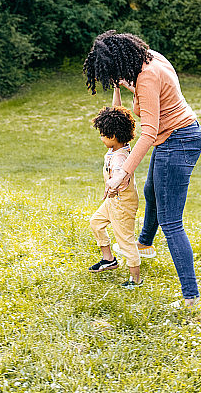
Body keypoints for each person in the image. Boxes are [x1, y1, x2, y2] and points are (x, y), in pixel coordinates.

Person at [83, 30, 201, 305]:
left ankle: (191, 298)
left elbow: (148, 132)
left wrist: (122, 175)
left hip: (177, 141)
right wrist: (123, 86)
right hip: (179, 135)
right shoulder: (151, 59)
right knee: (151, 191)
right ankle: (145, 244)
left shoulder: (146, 77)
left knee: (172, 223)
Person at [88, 105, 142, 287]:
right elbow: (117, 110)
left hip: (122, 203)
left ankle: (136, 279)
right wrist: (117, 88)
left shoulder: (120, 158)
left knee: (126, 240)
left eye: (103, 134)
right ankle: (109, 259)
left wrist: (113, 187)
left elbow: (122, 177)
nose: (101, 137)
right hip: (113, 202)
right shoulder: (117, 148)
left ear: (113, 136)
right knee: (96, 222)